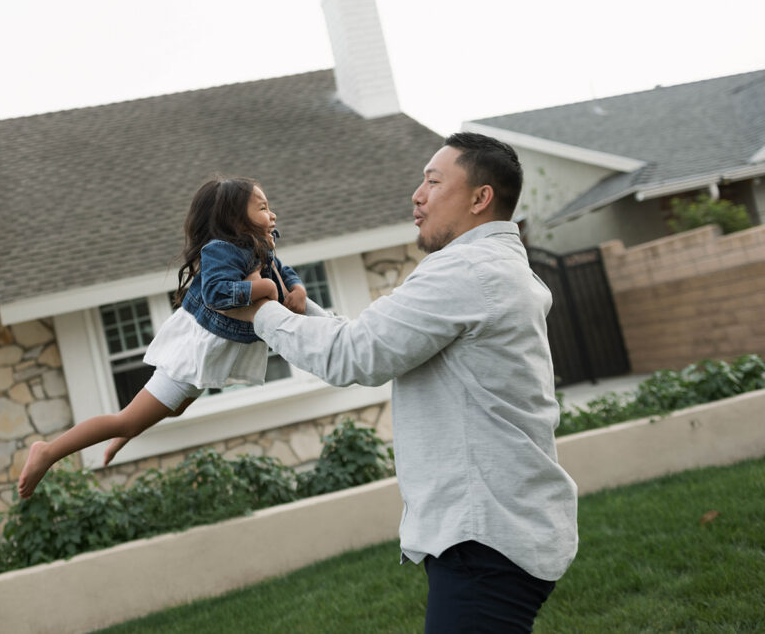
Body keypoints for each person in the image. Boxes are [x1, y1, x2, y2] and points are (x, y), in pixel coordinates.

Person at [227, 132, 578, 632]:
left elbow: (356, 357)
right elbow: (377, 342)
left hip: (485, 539)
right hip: (498, 531)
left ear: (481, 199)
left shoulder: (467, 271)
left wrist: (258, 310)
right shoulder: (489, 268)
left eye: (433, 182)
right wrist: (305, 312)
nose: (418, 195)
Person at [17, 177, 308, 500]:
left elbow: (283, 269)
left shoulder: (260, 246)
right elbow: (216, 293)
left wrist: (297, 289)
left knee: (174, 409)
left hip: (209, 355)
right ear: (236, 219)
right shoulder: (221, 250)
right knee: (126, 420)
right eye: (264, 208)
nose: (273, 215)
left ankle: (125, 431)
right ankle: (49, 451)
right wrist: (264, 289)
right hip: (195, 351)